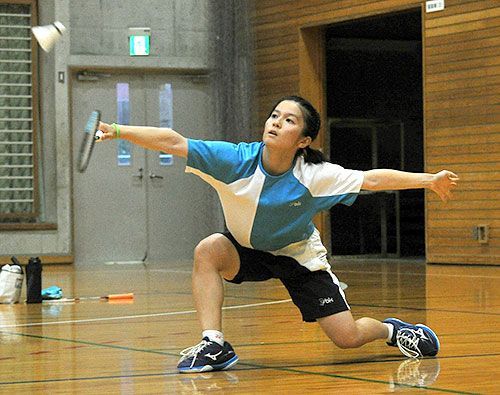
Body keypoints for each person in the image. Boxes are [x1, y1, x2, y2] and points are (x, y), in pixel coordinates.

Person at [98, 95, 459, 373]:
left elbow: (372, 179)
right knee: (208, 250)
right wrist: (116, 130)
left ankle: (392, 331)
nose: (275, 123)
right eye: (274, 116)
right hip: (245, 248)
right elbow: (173, 142)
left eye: (288, 121)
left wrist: (429, 180)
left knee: (346, 338)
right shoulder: (234, 160)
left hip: (297, 255)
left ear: (303, 140)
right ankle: (213, 343)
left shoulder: (315, 176)